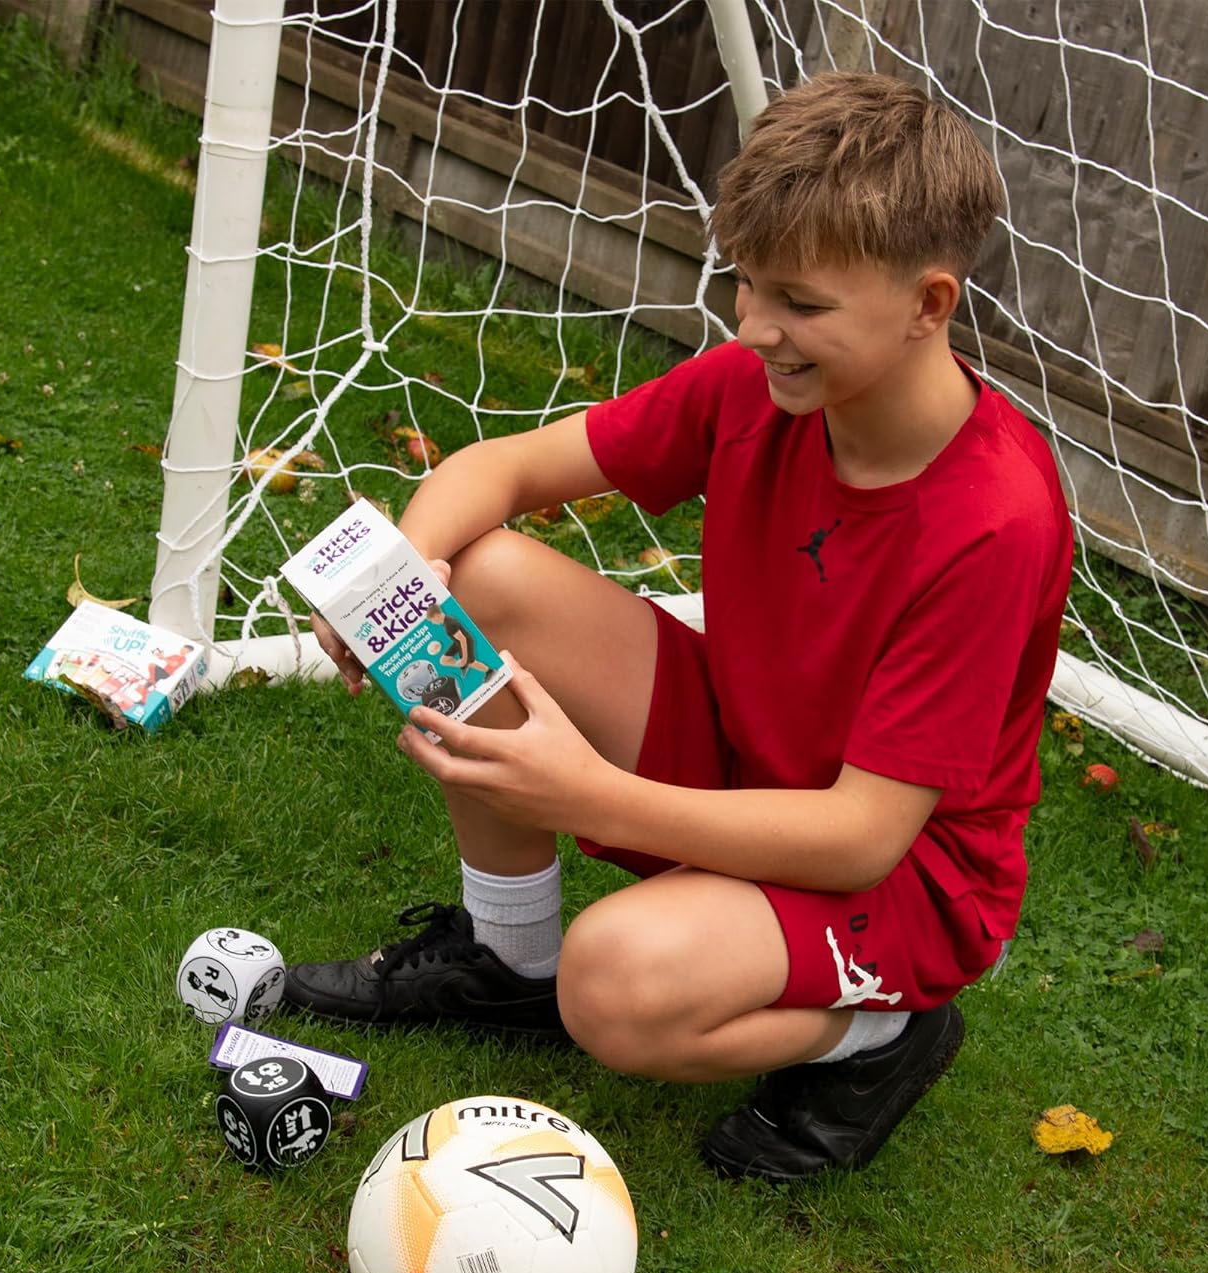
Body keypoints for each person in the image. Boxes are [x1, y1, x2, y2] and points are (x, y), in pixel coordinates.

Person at [284, 71, 1073, 1183]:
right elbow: (506, 467)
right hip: (744, 754)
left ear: (929, 304)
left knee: (612, 987)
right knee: (482, 575)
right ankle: (505, 961)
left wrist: (586, 798)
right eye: (746, 286)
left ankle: (887, 1032)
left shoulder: (991, 521)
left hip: (902, 877)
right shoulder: (753, 383)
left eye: (799, 303)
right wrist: (403, 575)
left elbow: (862, 838)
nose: (757, 327)